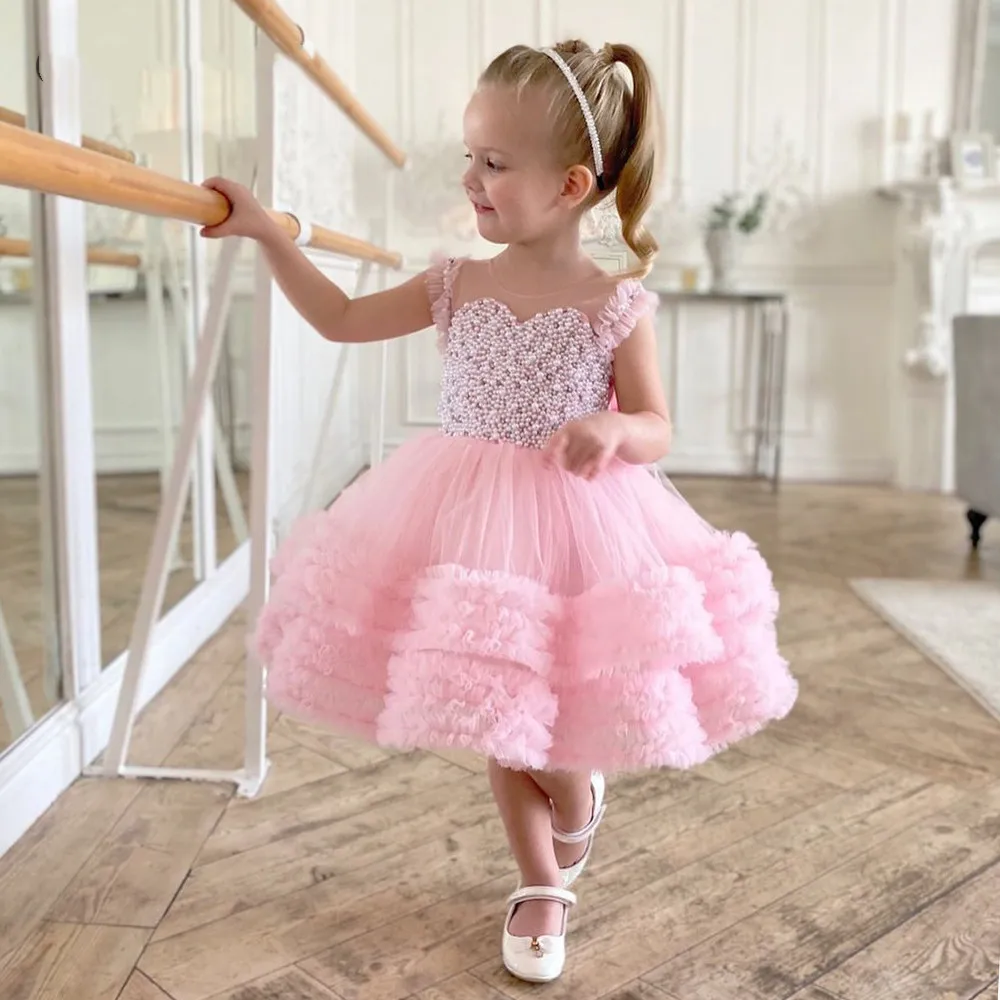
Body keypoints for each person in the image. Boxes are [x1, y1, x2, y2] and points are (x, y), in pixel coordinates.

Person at [200, 39, 798, 985]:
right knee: (500, 712)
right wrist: (271, 233)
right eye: (469, 155)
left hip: (580, 523)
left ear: (568, 185)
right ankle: (540, 883)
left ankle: (575, 803)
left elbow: (658, 425)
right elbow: (341, 321)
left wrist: (615, 432)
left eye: (493, 162)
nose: (470, 177)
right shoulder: (456, 285)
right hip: (465, 517)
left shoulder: (615, 301)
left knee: (554, 722)